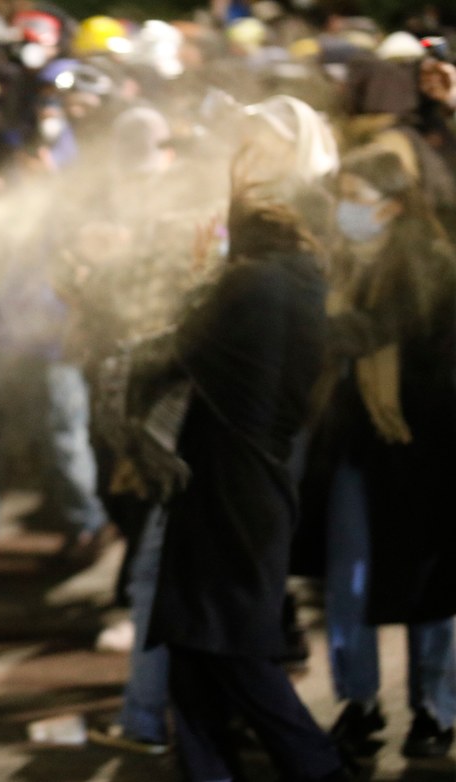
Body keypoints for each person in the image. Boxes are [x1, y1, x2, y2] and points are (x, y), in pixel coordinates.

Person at [148, 197, 349, 781]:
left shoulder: (252, 285)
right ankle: (207, 770)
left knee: (231, 648)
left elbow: (182, 343)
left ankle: (318, 768)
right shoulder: (301, 284)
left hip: (229, 485)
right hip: (246, 481)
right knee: (195, 642)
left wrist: (200, 272)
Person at [304, 144, 456, 759]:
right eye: (340, 196)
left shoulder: (431, 264)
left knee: (430, 586)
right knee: (348, 579)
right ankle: (358, 702)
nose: (344, 209)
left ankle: (434, 708)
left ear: (393, 207)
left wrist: (302, 325)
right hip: (352, 441)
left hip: (422, 444)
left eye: (356, 199)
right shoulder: (340, 260)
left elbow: (377, 330)